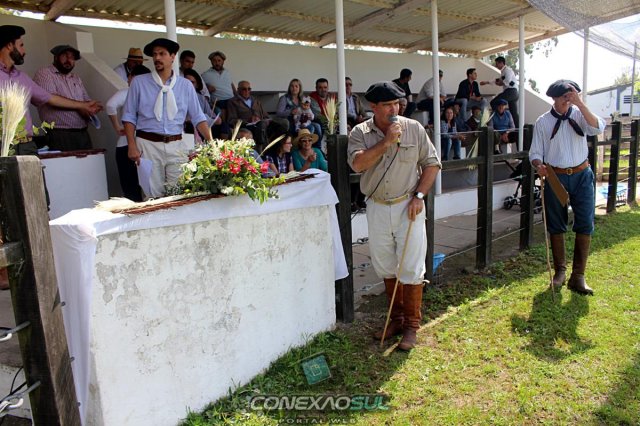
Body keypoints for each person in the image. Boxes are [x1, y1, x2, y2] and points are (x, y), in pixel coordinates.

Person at [348, 81, 441, 351]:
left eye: (397, 104)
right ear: (373, 106)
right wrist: (386, 142)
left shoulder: (414, 128)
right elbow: (358, 164)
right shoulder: (360, 132)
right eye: (387, 105)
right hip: (377, 206)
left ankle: (412, 325)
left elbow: (432, 164)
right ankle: (396, 319)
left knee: (411, 266)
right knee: (385, 265)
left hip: (407, 204)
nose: (394, 109)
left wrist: (420, 196)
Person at [529, 80, 605, 296]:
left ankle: (578, 276)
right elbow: (535, 152)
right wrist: (538, 165)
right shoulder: (543, 122)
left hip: (582, 175)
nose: (568, 100)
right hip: (556, 177)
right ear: (554, 98)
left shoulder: (580, 115)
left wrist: (580, 104)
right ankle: (560, 272)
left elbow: (598, 127)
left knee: (585, 222)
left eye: (572, 96)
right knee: (556, 224)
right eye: (565, 96)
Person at [122, 38, 212, 198]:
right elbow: (129, 116)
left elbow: (198, 116)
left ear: (172, 56)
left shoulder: (185, 85)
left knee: (179, 193)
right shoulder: (139, 83)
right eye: (155, 54)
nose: (157, 58)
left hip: (176, 144)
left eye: (162, 54)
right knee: (151, 195)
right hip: (147, 144)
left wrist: (212, 143)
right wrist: (131, 145)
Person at [0, 25, 100, 156]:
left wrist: (84, 105)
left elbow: (50, 98)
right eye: (21, 45)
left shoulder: (22, 77)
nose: (24, 51)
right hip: (4, 145)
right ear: (9, 45)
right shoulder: (44, 73)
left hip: (27, 145)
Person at [33, 44, 102, 151]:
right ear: (56, 57)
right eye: (65, 55)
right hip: (59, 134)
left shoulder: (76, 78)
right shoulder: (45, 73)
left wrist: (91, 109)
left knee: (88, 162)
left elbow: (86, 102)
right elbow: (51, 99)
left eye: (72, 57)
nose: (69, 60)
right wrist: (82, 106)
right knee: (64, 162)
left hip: (82, 134)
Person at [106, 64, 151, 202]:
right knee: (145, 188)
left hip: (127, 145)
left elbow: (110, 105)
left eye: (130, 76)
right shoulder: (149, 94)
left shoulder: (129, 92)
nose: (128, 79)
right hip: (143, 145)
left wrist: (117, 126)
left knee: (131, 188)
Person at [226, 80, 289, 150]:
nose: (247, 91)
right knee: (261, 125)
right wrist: (248, 120)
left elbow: (265, 115)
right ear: (238, 90)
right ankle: (260, 150)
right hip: (247, 125)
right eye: (244, 89)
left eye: (249, 89)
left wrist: (267, 120)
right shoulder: (233, 102)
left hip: (262, 123)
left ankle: (278, 149)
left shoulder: (255, 100)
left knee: (282, 125)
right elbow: (231, 120)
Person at [182, 68, 225, 142]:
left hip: (204, 124)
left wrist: (216, 119)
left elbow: (211, 114)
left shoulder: (201, 97)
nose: (189, 85)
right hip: (189, 126)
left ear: (197, 85)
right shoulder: (179, 97)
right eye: (186, 82)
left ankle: (220, 148)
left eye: (192, 82)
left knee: (224, 126)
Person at [482, 56, 519, 127]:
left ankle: (499, 121)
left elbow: (507, 81)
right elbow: (498, 80)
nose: (496, 66)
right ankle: (518, 129)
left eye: (497, 64)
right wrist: (487, 82)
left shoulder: (508, 70)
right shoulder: (503, 72)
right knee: (513, 112)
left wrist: (500, 83)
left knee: (493, 102)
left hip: (511, 91)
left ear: (501, 63)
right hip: (514, 93)